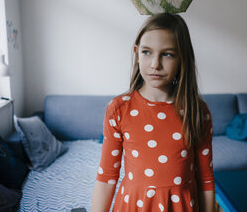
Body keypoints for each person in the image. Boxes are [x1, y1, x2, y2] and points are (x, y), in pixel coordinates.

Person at [91, 13, 215, 212]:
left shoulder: (197, 111)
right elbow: (106, 178)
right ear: (136, 52)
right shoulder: (119, 109)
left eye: (167, 54)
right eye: (147, 52)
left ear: (182, 58)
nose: (155, 64)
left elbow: (206, 180)